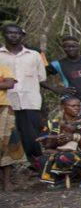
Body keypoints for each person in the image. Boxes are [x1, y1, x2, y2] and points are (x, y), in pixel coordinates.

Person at [0, 24, 47, 166]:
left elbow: (41, 77)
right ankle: (13, 166)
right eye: (10, 33)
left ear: (22, 36)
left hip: (30, 100)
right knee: (10, 136)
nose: (13, 36)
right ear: (4, 35)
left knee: (32, 135)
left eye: (17, 33)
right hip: (6, 102)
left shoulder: (34, 55)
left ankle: (36, 165)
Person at [38, 96, 81, 189]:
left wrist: (73, 137)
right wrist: (58, 142)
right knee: (43, 158)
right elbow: (46, 145)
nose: (76, 108)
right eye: (73, 106)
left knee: (65, 157)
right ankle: (58, 180)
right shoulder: (52, 123)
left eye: (78, 106)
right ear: (63, 106)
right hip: (60, 151)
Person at [43, 36, 81, 117]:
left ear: (78, 47)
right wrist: (55, 89)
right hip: (70, 103)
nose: (70, 49)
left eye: (73, 46)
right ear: (63, 48)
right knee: (70, 127)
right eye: (67, 47)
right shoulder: (58, 64)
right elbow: (38, 77)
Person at [0, 64, 24, 191]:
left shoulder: (3, 68)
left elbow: (9, 84)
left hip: (3, 108)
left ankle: (7, 181)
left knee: (7, 143)